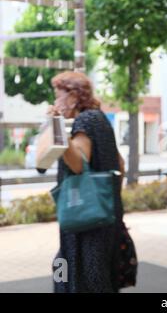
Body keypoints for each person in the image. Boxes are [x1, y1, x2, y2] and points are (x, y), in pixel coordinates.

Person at [49, 71, 127, 293]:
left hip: (86, 220)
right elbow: (120, 165)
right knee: (95, 276)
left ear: (73, 96)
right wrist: (110, 199)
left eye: (59, 96)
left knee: (79, 279)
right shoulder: (99, 118)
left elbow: (78, 164)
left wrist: (56, 124)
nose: (56, 102)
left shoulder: (85, 120)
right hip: (104, 215)